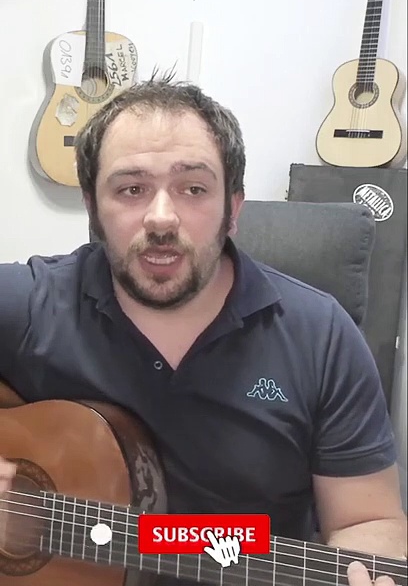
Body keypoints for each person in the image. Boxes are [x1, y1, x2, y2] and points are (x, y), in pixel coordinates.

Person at [0, 74, 406, 586]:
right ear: (92, 208)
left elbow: (367, 520)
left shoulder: (321, 337)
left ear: (233, 208)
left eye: (193, 188)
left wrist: (366, 567)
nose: (161, 218)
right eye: (131, 189)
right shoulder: (29, 304)